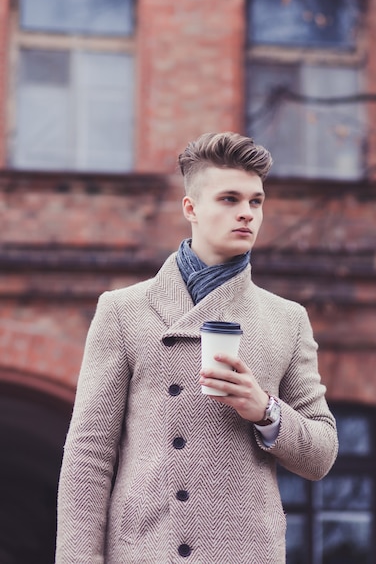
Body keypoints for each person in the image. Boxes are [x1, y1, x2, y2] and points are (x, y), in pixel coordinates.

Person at [56, 131, 338, 564]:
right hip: (144, 552)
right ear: (191, 208)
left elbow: (321, 454)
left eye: (255, 202)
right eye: (229, 199)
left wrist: (265, 410)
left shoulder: (286, 319)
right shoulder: (123, 310)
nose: (246, 214)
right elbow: (88, 456)